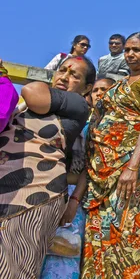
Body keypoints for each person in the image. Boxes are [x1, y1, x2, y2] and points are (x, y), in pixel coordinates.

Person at [82, 32, 140, 279]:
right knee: (98, 231)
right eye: (128, 49)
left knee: (127, 230)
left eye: (137, 50)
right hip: (102, 173)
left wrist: (132, 166)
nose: (130, 54)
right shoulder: (119, 85)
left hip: (132, 171)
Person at [0, 56, 94, 279]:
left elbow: (32, 91)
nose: (65, 76)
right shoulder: (22, 109)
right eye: (62, 70)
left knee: (15, 268)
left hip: (34, 196)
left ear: (87, 87)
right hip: (5, 193)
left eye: (74, 75)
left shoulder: (77, 105)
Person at [40, 76, 115, 279]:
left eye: (105, 90)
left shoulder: (98, 128)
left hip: (75, 193)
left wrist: (73, 201)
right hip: (42, 192)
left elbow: (87, 169)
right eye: (97, 90)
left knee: (64, 251)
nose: (100, 94)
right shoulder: (60, 117)